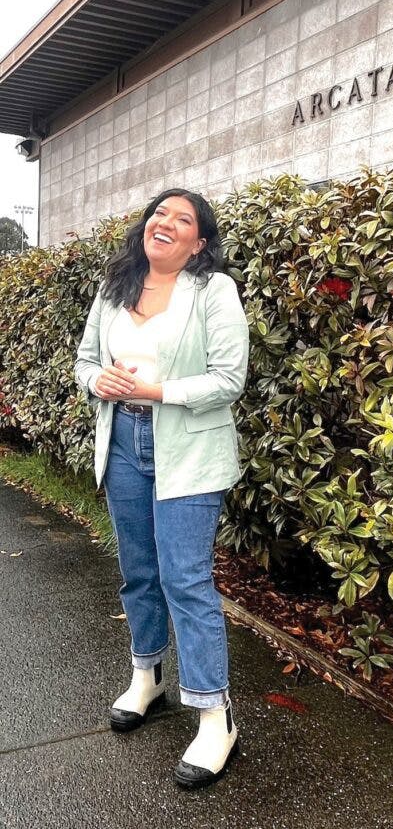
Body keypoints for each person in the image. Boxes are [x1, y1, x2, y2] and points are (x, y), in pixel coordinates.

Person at [74, 188, 249, 788]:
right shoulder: (114, 286)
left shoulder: (214, 291)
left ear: (199, 243)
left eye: (183, 219)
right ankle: (147, 677)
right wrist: (100, 380)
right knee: (139, 570)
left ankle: (213, 714)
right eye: (159, 213)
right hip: (123, 442)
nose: (165, 223)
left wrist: (156, 392)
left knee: (185, 577)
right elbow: (84, 361)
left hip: (189, 449)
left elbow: (229, 379)